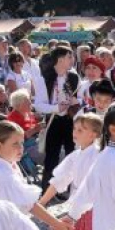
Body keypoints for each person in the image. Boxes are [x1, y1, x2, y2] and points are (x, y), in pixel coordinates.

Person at [42, 113, 103, 230]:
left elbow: (93, 189)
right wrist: (41, 202)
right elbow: (59, 180)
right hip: (79, 209)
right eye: (75, 129)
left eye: (80, 130)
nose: (75, 133)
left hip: (91, 210)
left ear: (93, 134)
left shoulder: (98, 155)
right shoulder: (76, 155)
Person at [34, 46, 81, 189]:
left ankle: (71, 189)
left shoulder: (73, 77)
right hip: (53, 121)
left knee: (72, 155)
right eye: (69, 57)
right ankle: (47, 190)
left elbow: (80, 99)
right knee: (52, 157)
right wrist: (56, 108)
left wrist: (75, 102)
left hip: (70, 121)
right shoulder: (43, 78)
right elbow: (38, 105)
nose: (72, 60)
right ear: (60, 60)